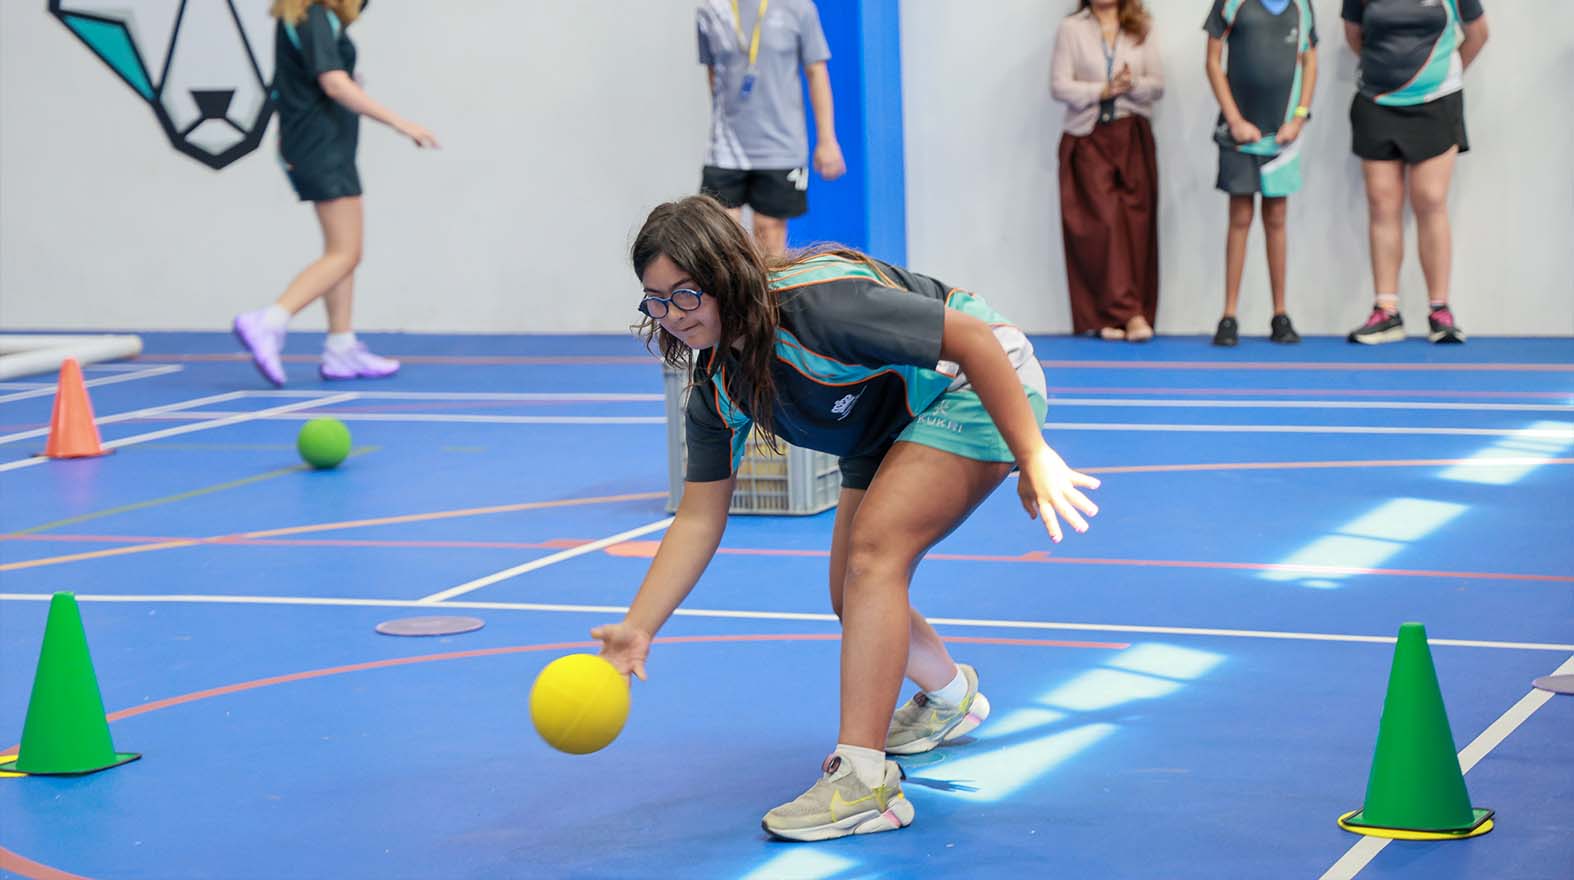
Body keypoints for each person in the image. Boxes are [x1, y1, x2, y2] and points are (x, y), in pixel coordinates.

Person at [592, 195, 1101, 841]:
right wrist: (639, 628)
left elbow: (973, 339)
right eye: (655, 300)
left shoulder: (816, 308)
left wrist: (1032, 454)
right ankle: (951, 699)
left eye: (686, 294)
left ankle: (864, 785)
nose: (673, 316)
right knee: (850, 594)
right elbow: (697, 518)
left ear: (725, 274)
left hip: (972, 383)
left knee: (873, 558)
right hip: (885, 422)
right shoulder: (716, 384)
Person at [233, 0, 439, 387]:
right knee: (346, 252)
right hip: (320, 147)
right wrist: (400, 122)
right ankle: (270, 320)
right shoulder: (311, 17)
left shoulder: (315, 19)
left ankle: (341, 347)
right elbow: (332, 81)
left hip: (329, 146)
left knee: (341, 253)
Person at [1342, 0, 1488, 345]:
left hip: (1437, 104)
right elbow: (1354, 36)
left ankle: (1440, 312)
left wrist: (1438, 76)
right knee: (1382, 204)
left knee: (1431, 200)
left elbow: (1478, 34)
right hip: (1377, 103)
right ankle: (1386, 312)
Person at [1204, 0, 1319, 347]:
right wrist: (1235, 120)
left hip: (1280, 135)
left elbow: (1310, 58)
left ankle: (1280, 314)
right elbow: (1212, 60)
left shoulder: (1301, 6)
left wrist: (1298, 117)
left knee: (1277, 217)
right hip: (1239, 135)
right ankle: (1229, 315)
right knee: (1239, 215)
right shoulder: (1231, 4)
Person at [1050, 0, 1163, 342]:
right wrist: (1101, 90)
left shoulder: (1141, 25)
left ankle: (1126, 312)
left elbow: (1158, 84)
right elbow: (1059, 86)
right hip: (1088, 136)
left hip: (1131, 135)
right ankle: (1125, 315)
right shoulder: (1071, 28)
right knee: (1102, 226)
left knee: (1136, 225)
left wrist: (1129, 85)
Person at [696, 0, 845, 256]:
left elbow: (816, 72)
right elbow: (713, 73)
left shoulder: (798, 7)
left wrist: (827, 140)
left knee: (769, 230)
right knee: (719, 232)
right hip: (727, 146)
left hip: (781, 144)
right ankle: (732, 295)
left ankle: (768, 295)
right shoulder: (711, 8)